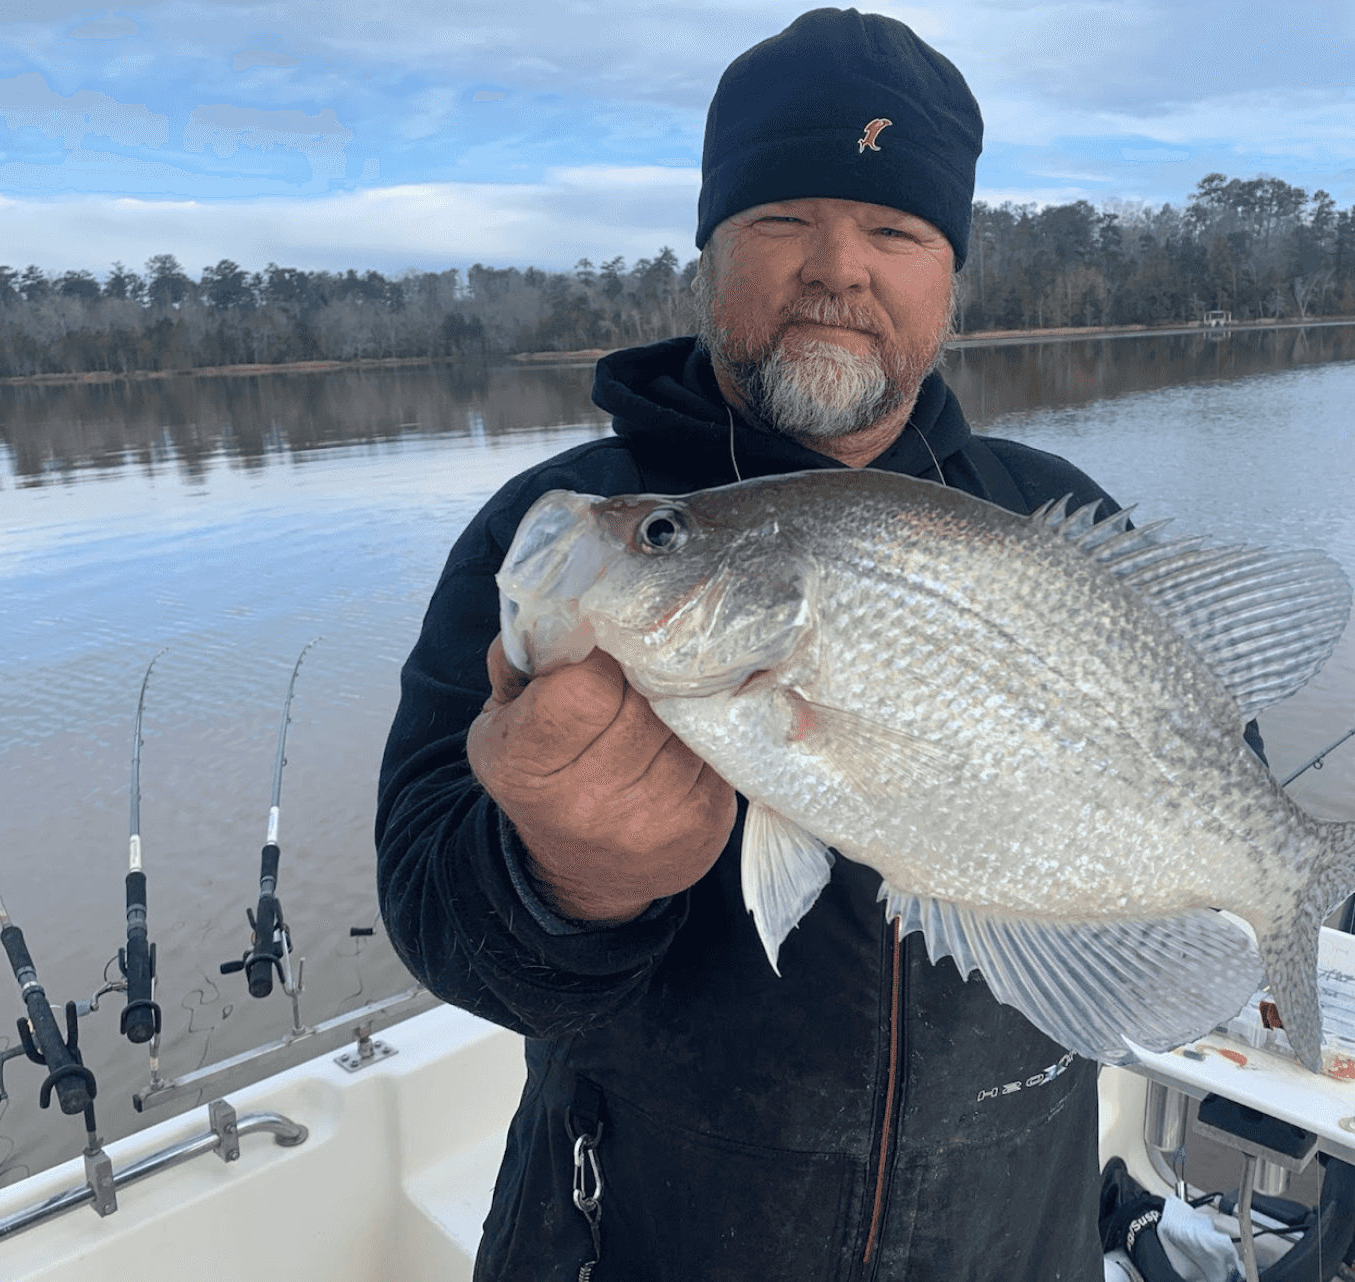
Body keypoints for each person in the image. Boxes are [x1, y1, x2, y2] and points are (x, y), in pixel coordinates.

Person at [378, 10, 1141, 1279]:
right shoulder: (572, 538)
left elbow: (1204, 760)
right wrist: (568, 879)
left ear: (948, 275)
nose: (837, 266)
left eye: (895, 229)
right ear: (710, 250)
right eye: (782, 216)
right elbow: (429, 901)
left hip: (1011, 1237)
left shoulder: (1054, 518)